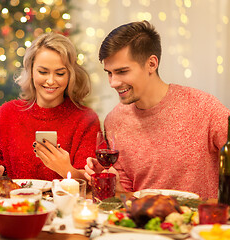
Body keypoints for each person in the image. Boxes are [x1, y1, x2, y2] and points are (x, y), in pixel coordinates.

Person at [84, 21, 230, 200]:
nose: (113, 82)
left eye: (122, 71)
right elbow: (128, 195)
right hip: (139, 225)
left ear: (151, 64)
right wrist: (107, 175)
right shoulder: (114, 120)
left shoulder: (204, 107)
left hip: (197, 225)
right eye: (109, 73)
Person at [0, 33, 101, 181]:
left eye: (60, 73)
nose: (50, 81)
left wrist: (66, 169)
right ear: (30, 71)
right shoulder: (8, 112)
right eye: (43, 72)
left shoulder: (86, 119)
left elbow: (92, 182)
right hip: (17, 203)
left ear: (70, 75)